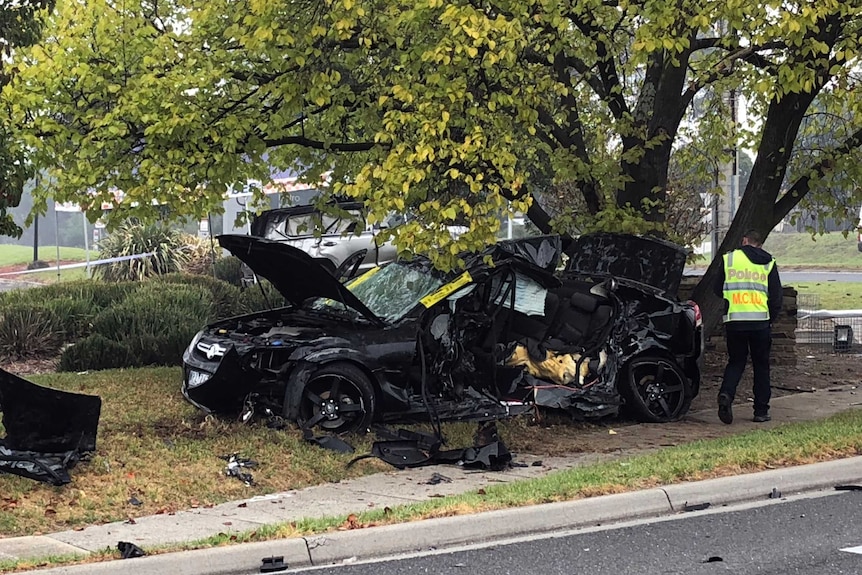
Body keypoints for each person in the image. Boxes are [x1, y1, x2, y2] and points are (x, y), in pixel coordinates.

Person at [714, 229, 782, 424]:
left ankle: (726, 394)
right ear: (759, 244)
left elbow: (717, 289)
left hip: (735, 321)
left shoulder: (729, 259)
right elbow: (776, 297)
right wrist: (770, 319)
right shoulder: (769, 262)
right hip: (760, 322)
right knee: (761, 365)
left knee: (736, 361)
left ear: (744, 241)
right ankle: (761, 411)